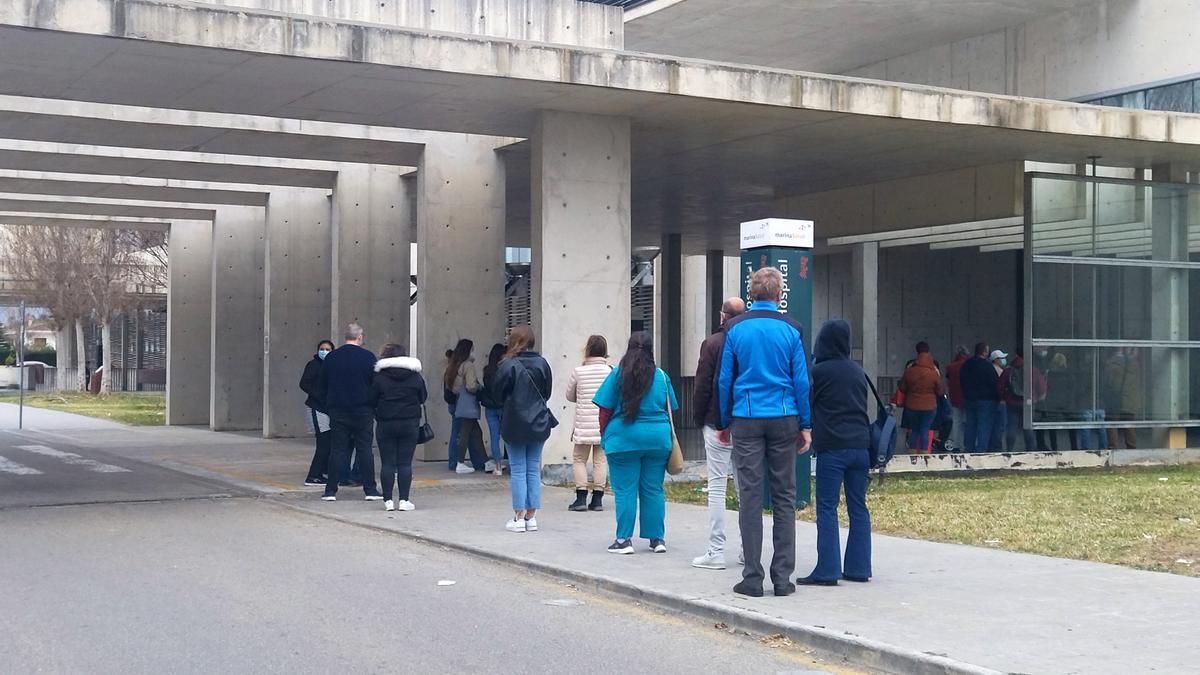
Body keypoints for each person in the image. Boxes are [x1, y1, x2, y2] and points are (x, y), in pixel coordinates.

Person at [717, 267, 811, 598]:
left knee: (750, 497)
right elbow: (801, 380)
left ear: (752, 294)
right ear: (779, 295)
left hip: (745, 416)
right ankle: (783, 579)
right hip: (784, 417)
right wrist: (806, 424)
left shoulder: (734, 328)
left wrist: (725, 420)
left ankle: (752, 578)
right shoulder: (792, 329)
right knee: (784, 496)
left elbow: (724, 379)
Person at [798, 319, 872, 586]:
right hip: (861, 448)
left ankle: (828, 570)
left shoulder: (819, 372)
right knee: (858, 507)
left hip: (833, 448)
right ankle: (859, 567)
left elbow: (808, 404)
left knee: (827, 507)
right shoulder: (857, 371)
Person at [593, 332, 678, 554]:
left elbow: (604, 410)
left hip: (623, 439)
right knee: (653, 489)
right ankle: (657, 539)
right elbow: (671, 410)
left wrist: (605, 436)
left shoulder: (617, 375)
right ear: (651, 350)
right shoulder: (661, 376)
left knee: (625, 491)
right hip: (657, 439)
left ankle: (623, 540)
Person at [690, 296, 746, 570]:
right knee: (745, 487)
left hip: (716, 423)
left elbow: (702, 385)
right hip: (747, 423)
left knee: (716, 486)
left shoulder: (712, 343)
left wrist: (699, 417)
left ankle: (716, 551)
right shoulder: (749, 341)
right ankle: (749, 548)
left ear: (721, 316)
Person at [491, 325, 554, 533]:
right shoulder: (543, 364)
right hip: (538, 422)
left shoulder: (507, 365)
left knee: (518, 469)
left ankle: (518, 517)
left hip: (514, 421)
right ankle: (531, 516)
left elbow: (497, 394)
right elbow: (547, 393)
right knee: (532, 467)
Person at [319, 323, 382, 501]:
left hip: (337, 410)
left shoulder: (332, 358)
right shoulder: (368, 357)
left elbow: (322, 385)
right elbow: (375, 384)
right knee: (365, 450)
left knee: (337, 449)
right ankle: (370, 489)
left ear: (345, 337)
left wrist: (329, 405)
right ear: (360, 337)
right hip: (363, 410)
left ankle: (330, 490)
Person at [369, 343, 426, 512]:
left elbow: (371, 399)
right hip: (409, 423)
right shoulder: (415, 377)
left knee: (387, 463)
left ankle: (387, 500)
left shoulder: (379, 377)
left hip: (385, 423)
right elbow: (423, 397)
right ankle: (404, 500)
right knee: (405, 463)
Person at [564, 335, 612, 512]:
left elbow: (569, 396)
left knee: (579, 459)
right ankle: (598, 499)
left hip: (583, 424)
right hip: (603, 424)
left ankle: (581, 497)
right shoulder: (610, 371)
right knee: (600, 460)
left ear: (588, 350)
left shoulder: (579, 371)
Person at [444, 339, 489, 474]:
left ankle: (484, 462)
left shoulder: (454, 364)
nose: (474, 351)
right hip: (467, 404)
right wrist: (479, 387)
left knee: (475, 433)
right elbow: (470, 386)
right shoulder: (468, 365)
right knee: (462, 434)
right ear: (468, 350)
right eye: (473, 349)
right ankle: (459, 462)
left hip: (456, 403)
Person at [898, 341, 943, 453]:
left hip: (912, 405)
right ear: (928, 352)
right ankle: (924, 454)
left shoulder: (910, 371)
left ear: (917, 352)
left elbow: (902, 387)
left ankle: (912, 454)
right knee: (924, 429)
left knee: (914, 430)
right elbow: (940, 391)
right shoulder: (933, 372)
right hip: (929, 406)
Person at [300, 339, 334, 486]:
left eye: (327, 349)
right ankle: (313, 475)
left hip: (328, 409)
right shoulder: (313, 365)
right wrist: (319, 396)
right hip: (316, 408)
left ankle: (323, 470)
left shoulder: (332, 365)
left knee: (329, 441)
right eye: (322, 349)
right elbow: (304, 383)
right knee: (324, 442)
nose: (324, 351)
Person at [999, 350, 1045, 452]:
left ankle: (1009, 449)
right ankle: (1030, 450)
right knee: (1028, 428)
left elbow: (1000, 387)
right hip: (1028, 403)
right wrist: (1036, 398)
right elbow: (1042, 388)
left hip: (1012, 403)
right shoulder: (1033, 370)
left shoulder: (1008, 370)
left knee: (1012, 427)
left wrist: (1004, 398)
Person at [959, 342, 1000, 452]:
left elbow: (961, 380)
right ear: (984, 352)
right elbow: (995, 382)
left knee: (970, 425)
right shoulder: (987, 366)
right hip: (986, 400)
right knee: (984, 426)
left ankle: (968, 449)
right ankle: (981, 451)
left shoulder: (966, 364)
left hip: (969, 399)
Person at [1041, 352, 1079, 451]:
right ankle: (1074, 446)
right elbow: (1072, 389)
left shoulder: (1049, 373)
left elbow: (1045, 387)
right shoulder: (1069, 373)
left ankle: (1054, 447)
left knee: (1052, 427)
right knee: (1071, 426)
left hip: (1052, 403)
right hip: (1066, 403)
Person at [479, 343, 507, 476]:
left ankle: (498, 466)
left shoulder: (487, 371)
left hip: (490, 408)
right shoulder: (505, 369)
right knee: (508, 437)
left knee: (494, 437)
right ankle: (512, 464)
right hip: (503, 407)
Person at [1104, 347, 1141, 449]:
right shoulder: (1134, 364)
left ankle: (1112, 448)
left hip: (1115, 400)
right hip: (1130, 400)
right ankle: (1132, 448)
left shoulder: (1112, 364)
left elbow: (1109, 382)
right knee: (1129, 424)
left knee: (1112, 423)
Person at [944, 345, 969, 449]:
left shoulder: (950, 367)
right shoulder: (969, 365)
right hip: (968, 397)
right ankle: (967, 444)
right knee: (969, 421)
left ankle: (956, 445)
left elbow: (948, 381)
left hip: (954, 397)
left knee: (956, 422)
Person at [443, 348, 462, 472]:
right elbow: (459, 388)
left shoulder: (449, 369)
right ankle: (453, 462)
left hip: (452, 404)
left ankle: (453, 461)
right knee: (457, 434)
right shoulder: (457, 370)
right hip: (458, 405)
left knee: (459, 433)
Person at [988, 349, 1009, 450]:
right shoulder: (1000, 371)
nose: (1004, 360)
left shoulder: (990, 369)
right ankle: (997, 447)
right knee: (1000, 426)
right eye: (1001, 358)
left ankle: (992, 446)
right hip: (1000, 402)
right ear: (995, 360)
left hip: (992, 402)